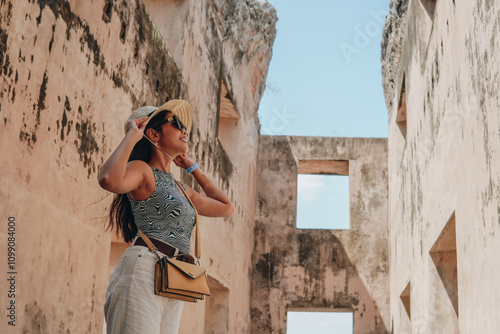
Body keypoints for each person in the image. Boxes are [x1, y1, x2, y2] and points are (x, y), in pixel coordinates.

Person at [98, 99, 234, 334]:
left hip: (174, 277)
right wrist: (133, 135)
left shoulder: (181, 188)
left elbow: (226, 207)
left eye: (185, 126)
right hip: (144, 269)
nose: (185, 130)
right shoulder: (142, 170)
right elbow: (109, 179)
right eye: (177, 123)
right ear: (153, 133)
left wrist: (194, 169)